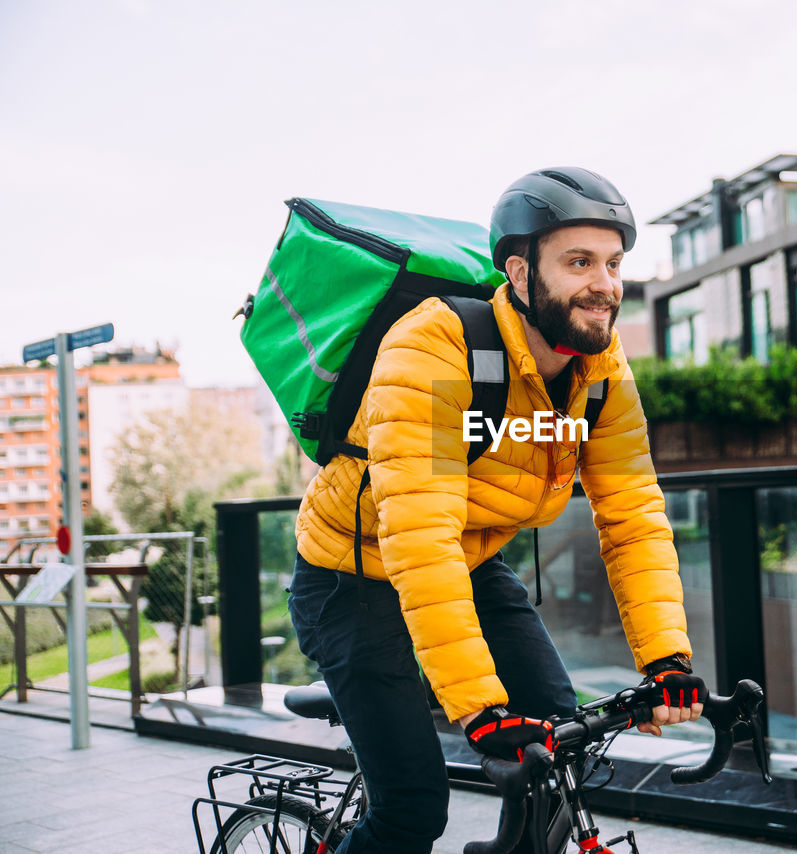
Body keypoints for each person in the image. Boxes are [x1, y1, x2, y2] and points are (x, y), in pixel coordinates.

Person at [289, 167, 706, 853]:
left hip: (471, 562)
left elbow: (632, 514)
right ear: (518, 271)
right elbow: (417, 537)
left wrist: (665, 660)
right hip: (352, 577)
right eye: (578, 262)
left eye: (612, 262)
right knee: (414, 808)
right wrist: (480, 708)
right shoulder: (431, 347)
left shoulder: (599, 373)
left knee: (560, 753)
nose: (604, 284)